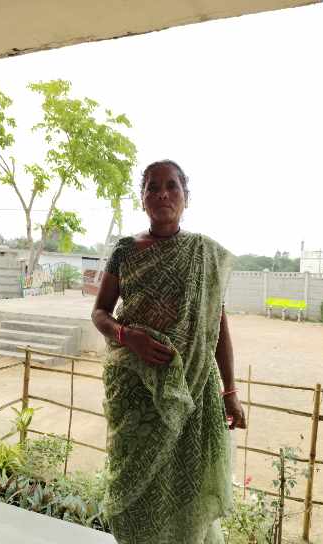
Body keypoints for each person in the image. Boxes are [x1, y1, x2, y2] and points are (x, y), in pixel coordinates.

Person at [92, 160, 246, 544]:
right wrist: (128, 336)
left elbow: (217, 328)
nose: (162, 194)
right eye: (152, 187)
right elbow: (99, 313)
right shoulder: (125, 251)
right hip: (135, 391)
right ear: (142, 198)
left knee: (186, 482)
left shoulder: (204, 254)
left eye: (172, 186)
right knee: (132, 487)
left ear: (186, 197)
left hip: (192, 391)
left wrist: (230, 391)